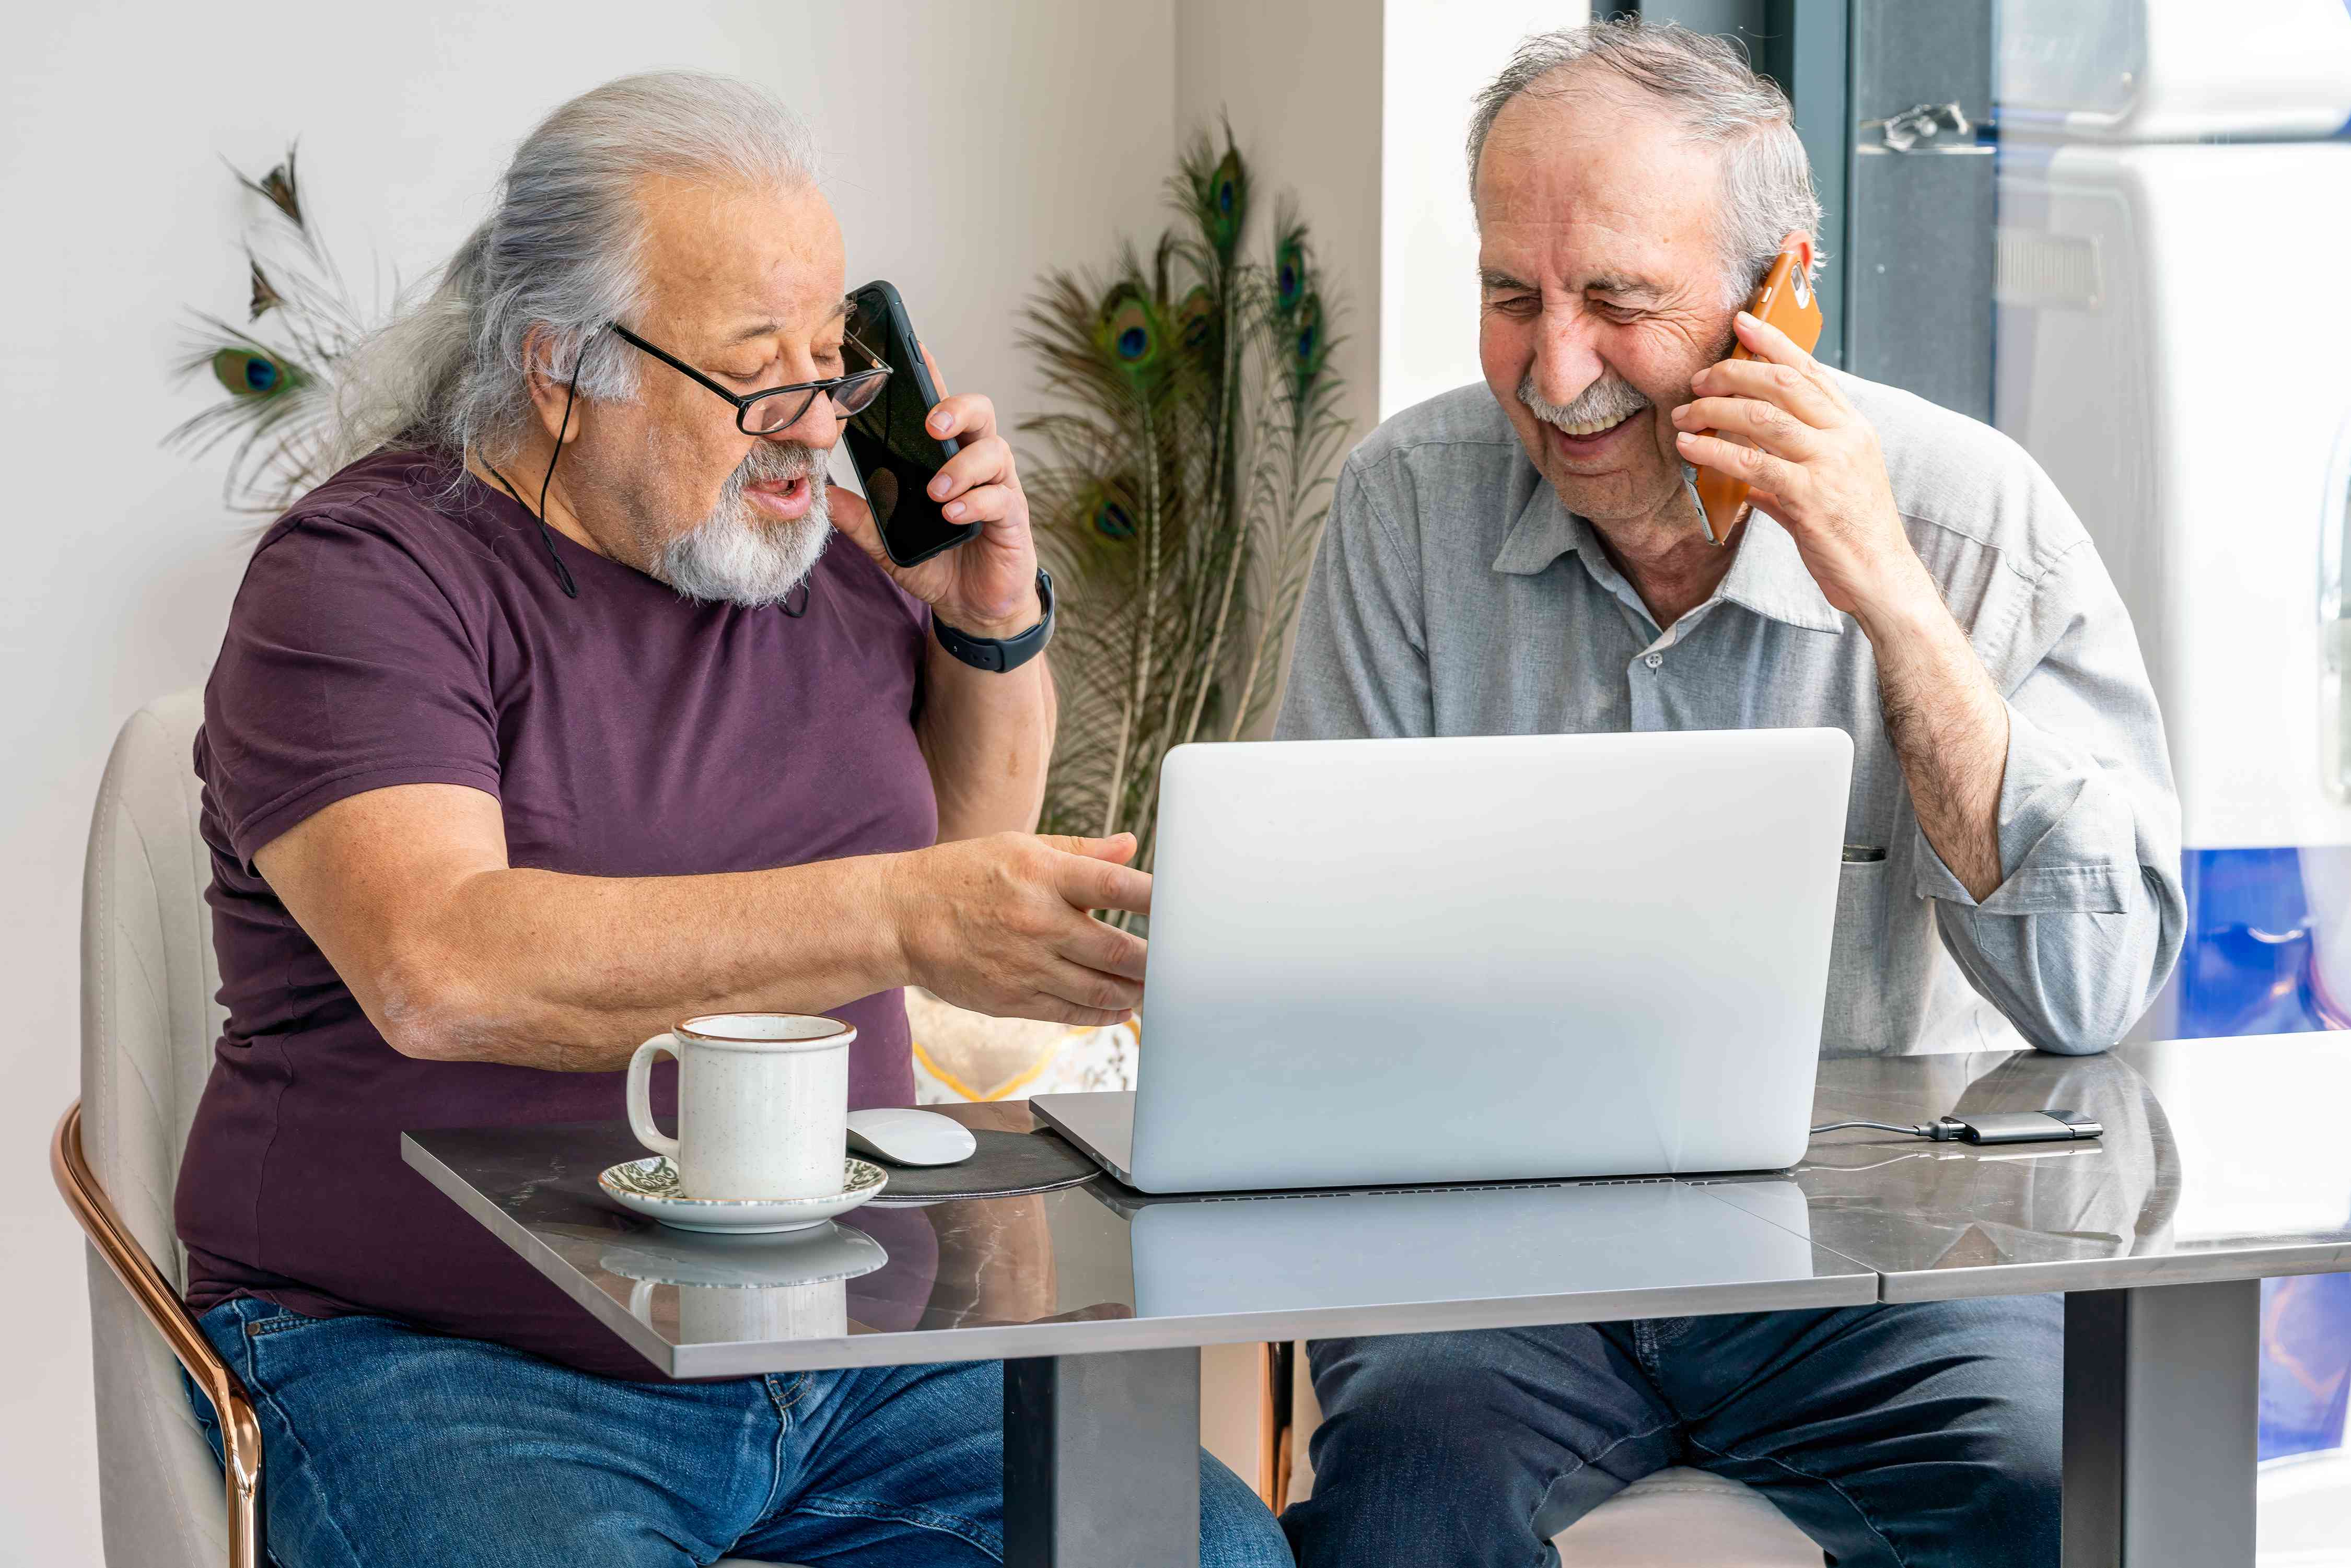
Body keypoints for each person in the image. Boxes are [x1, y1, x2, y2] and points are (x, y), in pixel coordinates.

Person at [174, 72, 1290, 1568]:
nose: (815, 429)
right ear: (562, 367)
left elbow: (956, 880)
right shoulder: (367, 576)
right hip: (445, 1349)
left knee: (1194, 1549)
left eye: (835, 367)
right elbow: (441, 963)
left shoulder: (817, 571)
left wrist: (989, 621)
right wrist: (890, 910)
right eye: (760, 377)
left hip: (858, 1341)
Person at [1274, 21, 2183, 1568]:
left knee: (2055, 1499)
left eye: (1617, 302)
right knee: (1396, 1505)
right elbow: (1296, 968)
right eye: (1513, 298)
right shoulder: (1400, 508)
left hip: (1890, 1275)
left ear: (1783, 298)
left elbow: (2091, 992)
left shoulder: (1971, 517)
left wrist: (1892, 599)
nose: (1553, 372)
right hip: (1501, 1274)